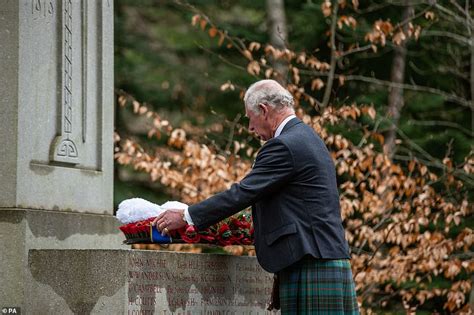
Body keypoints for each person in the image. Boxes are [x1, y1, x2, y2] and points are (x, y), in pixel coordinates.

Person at [153, 79, 359, 314]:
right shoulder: (309, 138)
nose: (250, 127)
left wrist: (188, 216)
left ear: (264, 110)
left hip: (311, 262)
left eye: (249, 117)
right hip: (324, 258)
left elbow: (243, 193)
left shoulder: (284, 145)